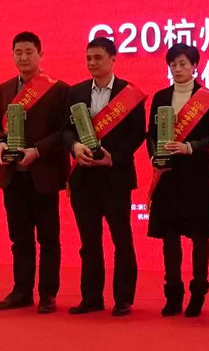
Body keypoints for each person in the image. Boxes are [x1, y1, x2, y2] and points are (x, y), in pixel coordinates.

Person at [61, 37, 146, 316]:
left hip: (115, 177)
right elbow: (65, 129)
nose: (92, 63)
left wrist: (114, 157)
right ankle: (91, 298)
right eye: (88, 58)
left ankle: (123, 299)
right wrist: (75, 147)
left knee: (121, 239)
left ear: (113, 59)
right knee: (89, 242)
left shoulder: (128, 94)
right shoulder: (75, 92)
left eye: (98, 58)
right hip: (83, 177)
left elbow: (137, 134)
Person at [0, 32, 70, 314]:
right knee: (19, 238)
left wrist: (37, 150)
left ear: (40, 55)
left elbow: (64, 131)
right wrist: (1, 143)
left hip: (43, 173)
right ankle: (21, 290)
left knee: (48, 238)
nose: (23, 57)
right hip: (13, 174)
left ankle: (48, 294)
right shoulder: (4, 88)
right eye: (18, 52)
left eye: (29, 52)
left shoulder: (58, 89)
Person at [146, 44, 209, 317]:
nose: (177, 69)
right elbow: (151, 134)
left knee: (199, 235)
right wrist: (154, 155)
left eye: (183, 64)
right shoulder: (161, 97)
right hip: (168, 174)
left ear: (194, 66)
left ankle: (198, 292)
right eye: (173, 65)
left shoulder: (206, 99)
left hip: (196, 173)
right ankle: (173, 293)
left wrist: (190, 147)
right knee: (170, 235)